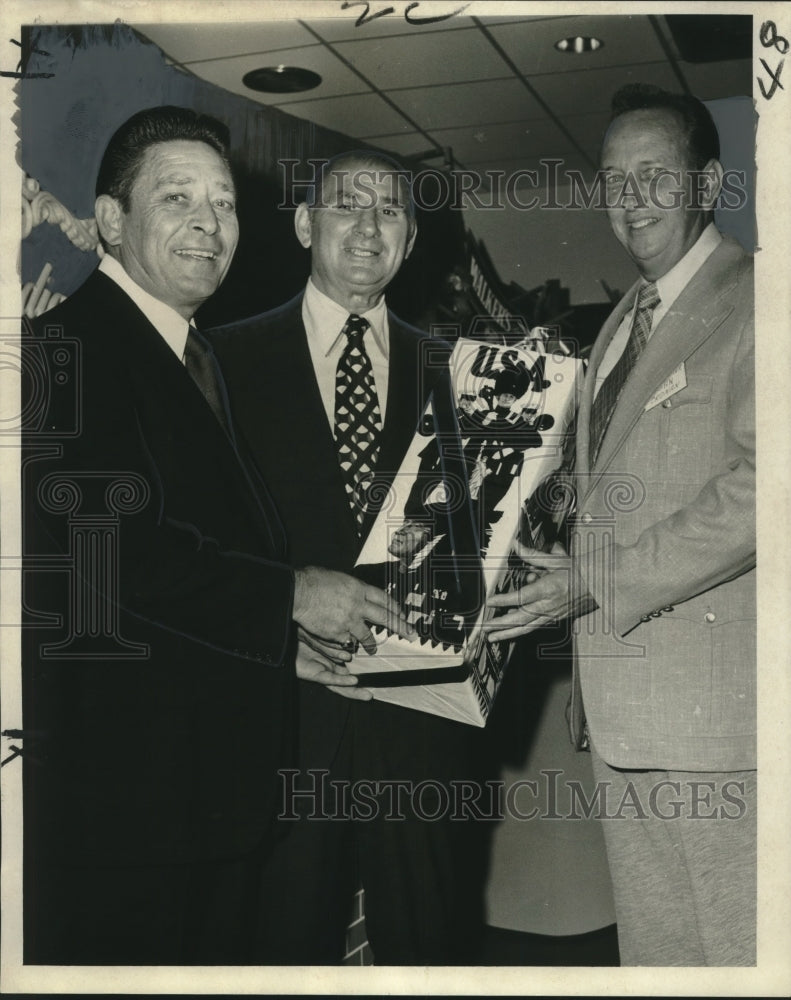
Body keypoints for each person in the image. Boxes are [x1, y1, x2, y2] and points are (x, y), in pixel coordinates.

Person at [21, 107, 409, 965]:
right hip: (129, 811)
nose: (209, 225)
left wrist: (277, 645)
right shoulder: (65, 350)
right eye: (177, 199)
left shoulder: (187, 354)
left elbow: (198, 556)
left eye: (225, 203)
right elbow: (118, 550)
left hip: (203, 800)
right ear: (111, 221)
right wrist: (292, 596)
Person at [485, 84, 756, 966]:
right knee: (659, 958)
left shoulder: (761, 299)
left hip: (717, 721)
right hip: (625, 714)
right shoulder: (619, 326)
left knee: (736, 955)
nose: (629, 199)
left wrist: (594, 580)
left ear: (707, 182)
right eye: (612, 179)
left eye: (653, 175)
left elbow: (767, 487)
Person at [210, 151, 484, 964]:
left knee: (425, 950)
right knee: (282, 950)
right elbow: (202, 546)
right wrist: (271, 629)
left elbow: (480, 542)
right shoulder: (217, 361)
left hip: (424, 730)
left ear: (409, 238)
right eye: (345, 207)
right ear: (304, 224)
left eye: (390, 211)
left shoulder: (461, 375)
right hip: (284, 721)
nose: (368, 228)